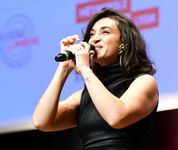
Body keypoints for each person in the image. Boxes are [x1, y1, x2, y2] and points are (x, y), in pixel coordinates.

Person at [32, 8, 159, 150]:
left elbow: (116, 117)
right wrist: (64, 69)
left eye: (105, 32)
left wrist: (85, 70)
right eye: (92, 34)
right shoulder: (82, 96)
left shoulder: (143, 82)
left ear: (125, 42)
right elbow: (41, 122)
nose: (95, 38)